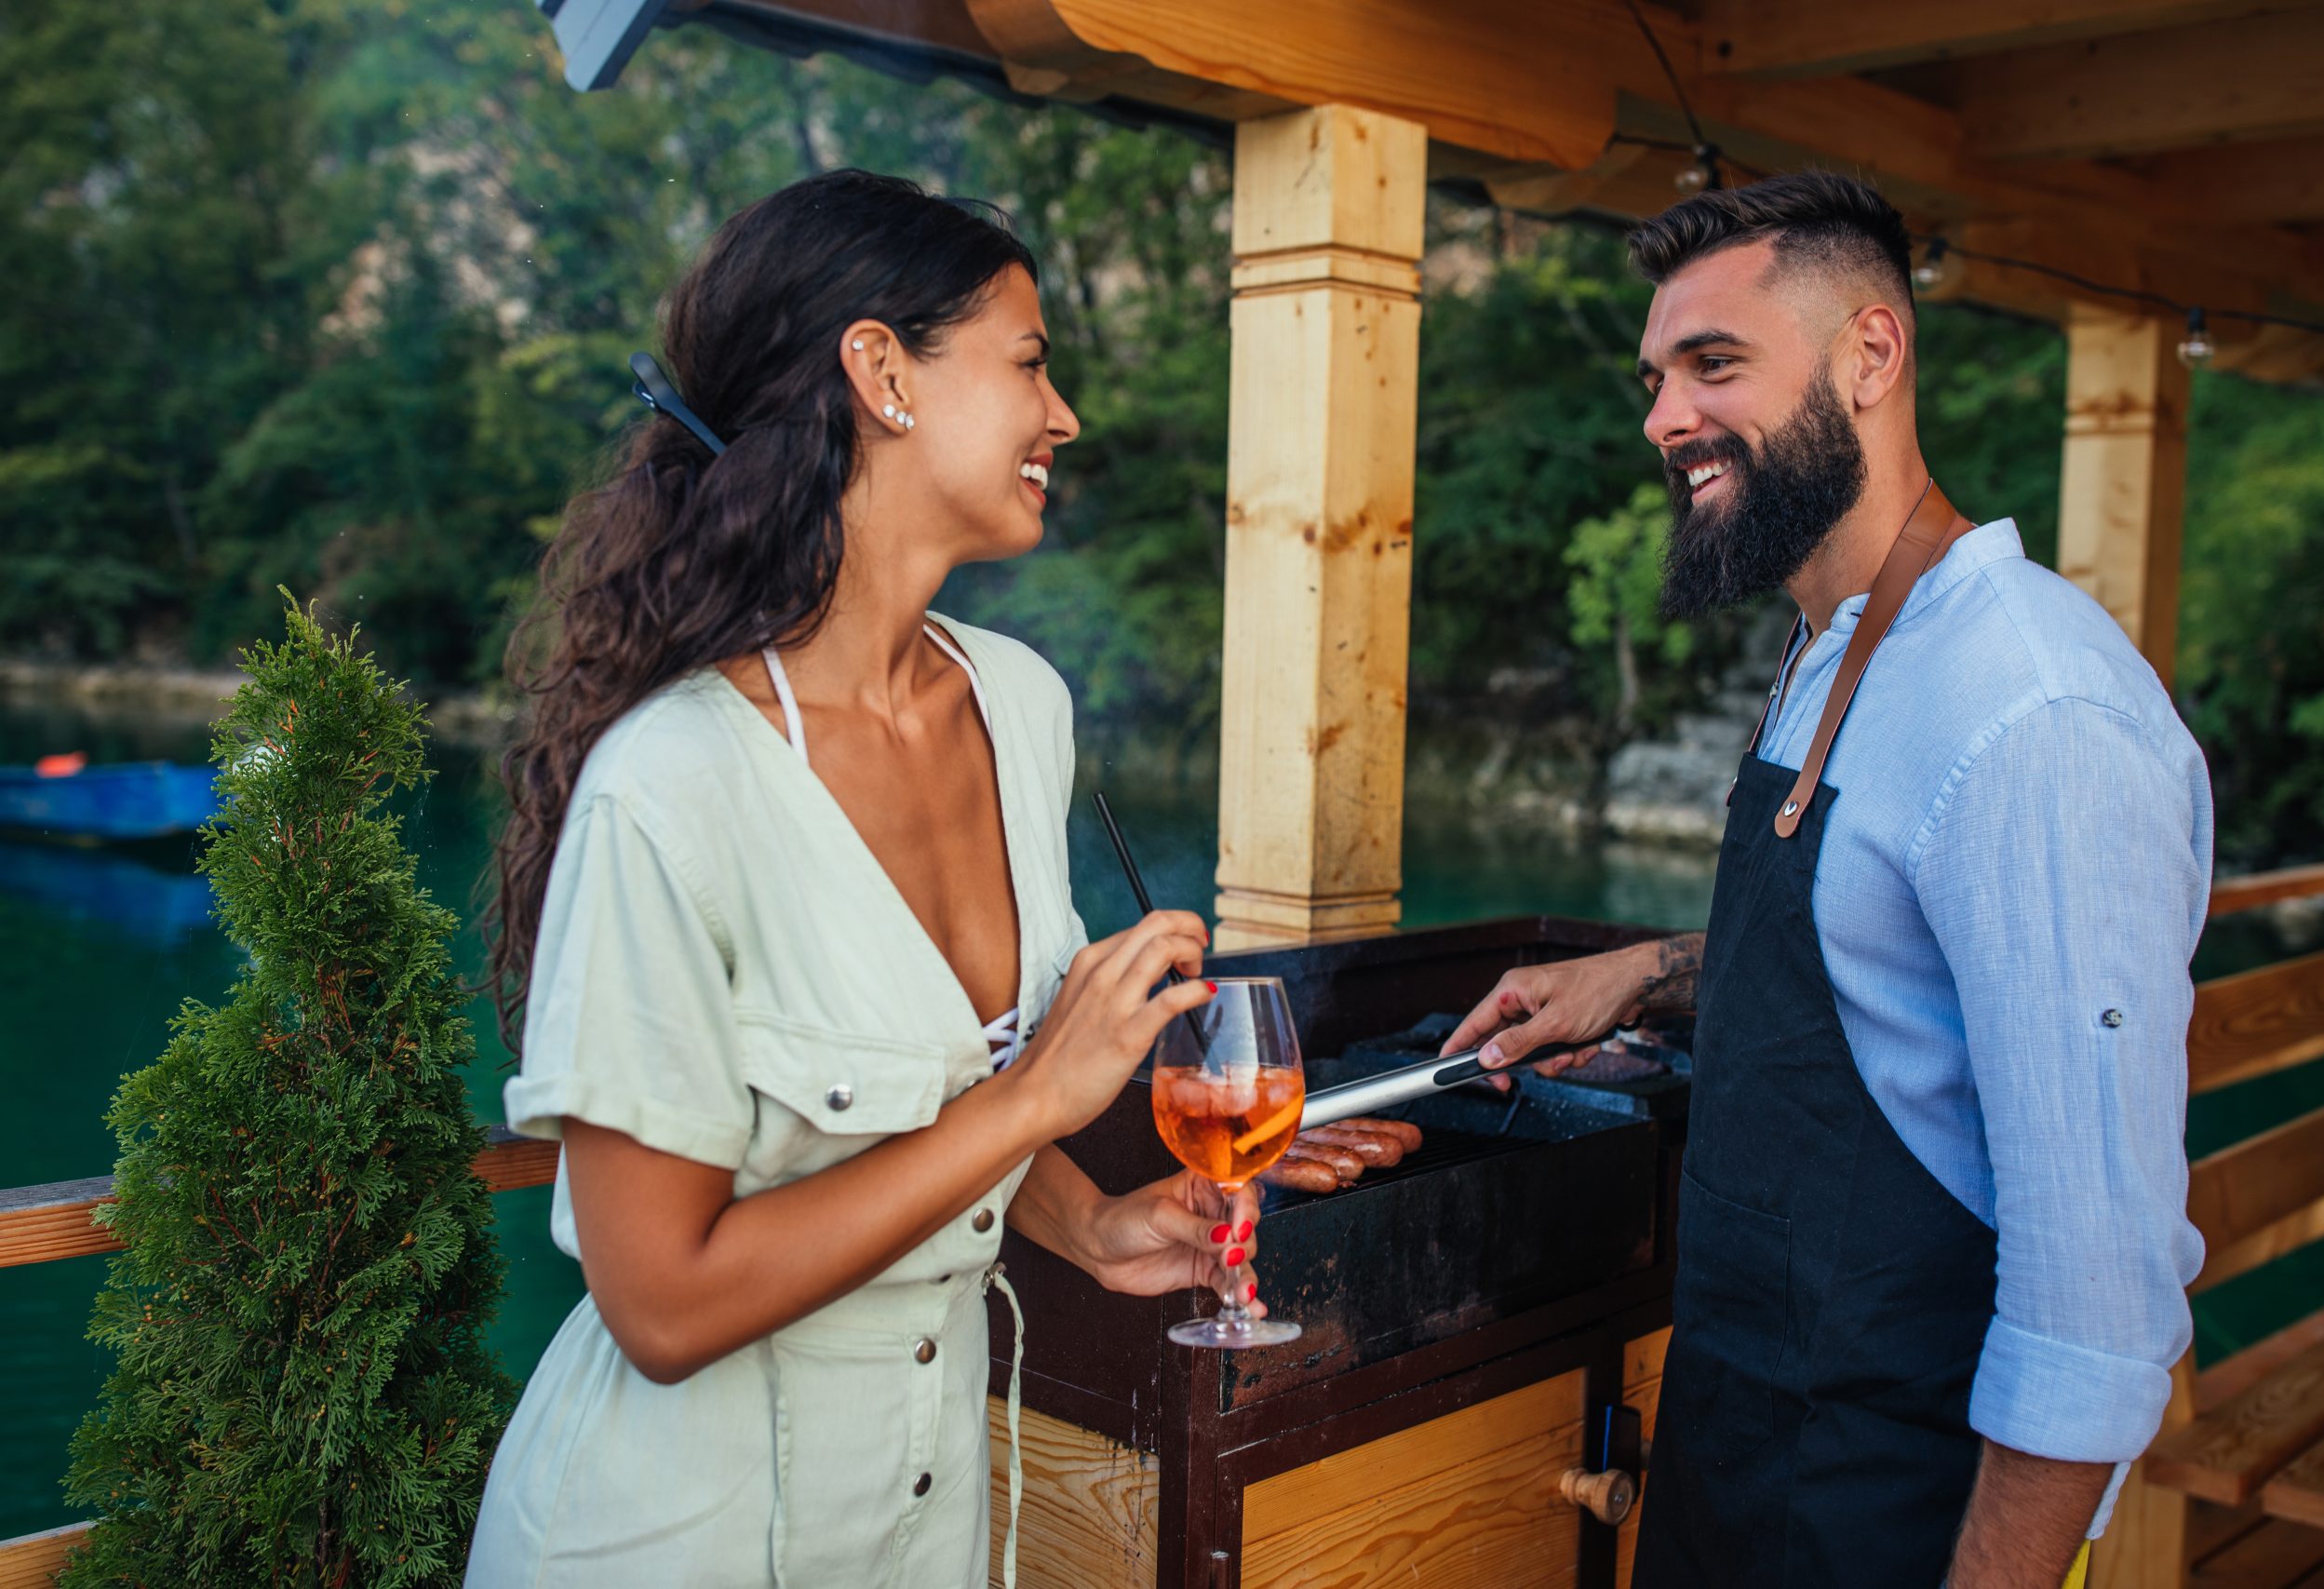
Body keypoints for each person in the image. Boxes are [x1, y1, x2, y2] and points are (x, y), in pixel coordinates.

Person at [468, 170, 1264, 1588]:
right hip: (670, 1542)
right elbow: (662, 1306)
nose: (1062, 413)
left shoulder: (1020, 704)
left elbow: (931, 1087)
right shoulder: (674, 785)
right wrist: (1037, 1101)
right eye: (1028, 362)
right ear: (882, 373)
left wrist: (1088, 1220)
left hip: (927, 1526)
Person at [1444, 173, 2210, 1589]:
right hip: (1740, 1452)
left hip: (1899, 1512)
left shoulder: (2035, 713)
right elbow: (1880, 937)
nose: (1665, 417)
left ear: (1871, 356)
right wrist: (1649, 974)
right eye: (1656, 376)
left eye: (1713, 364)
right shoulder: (1837, 646)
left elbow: (2098, 1296)